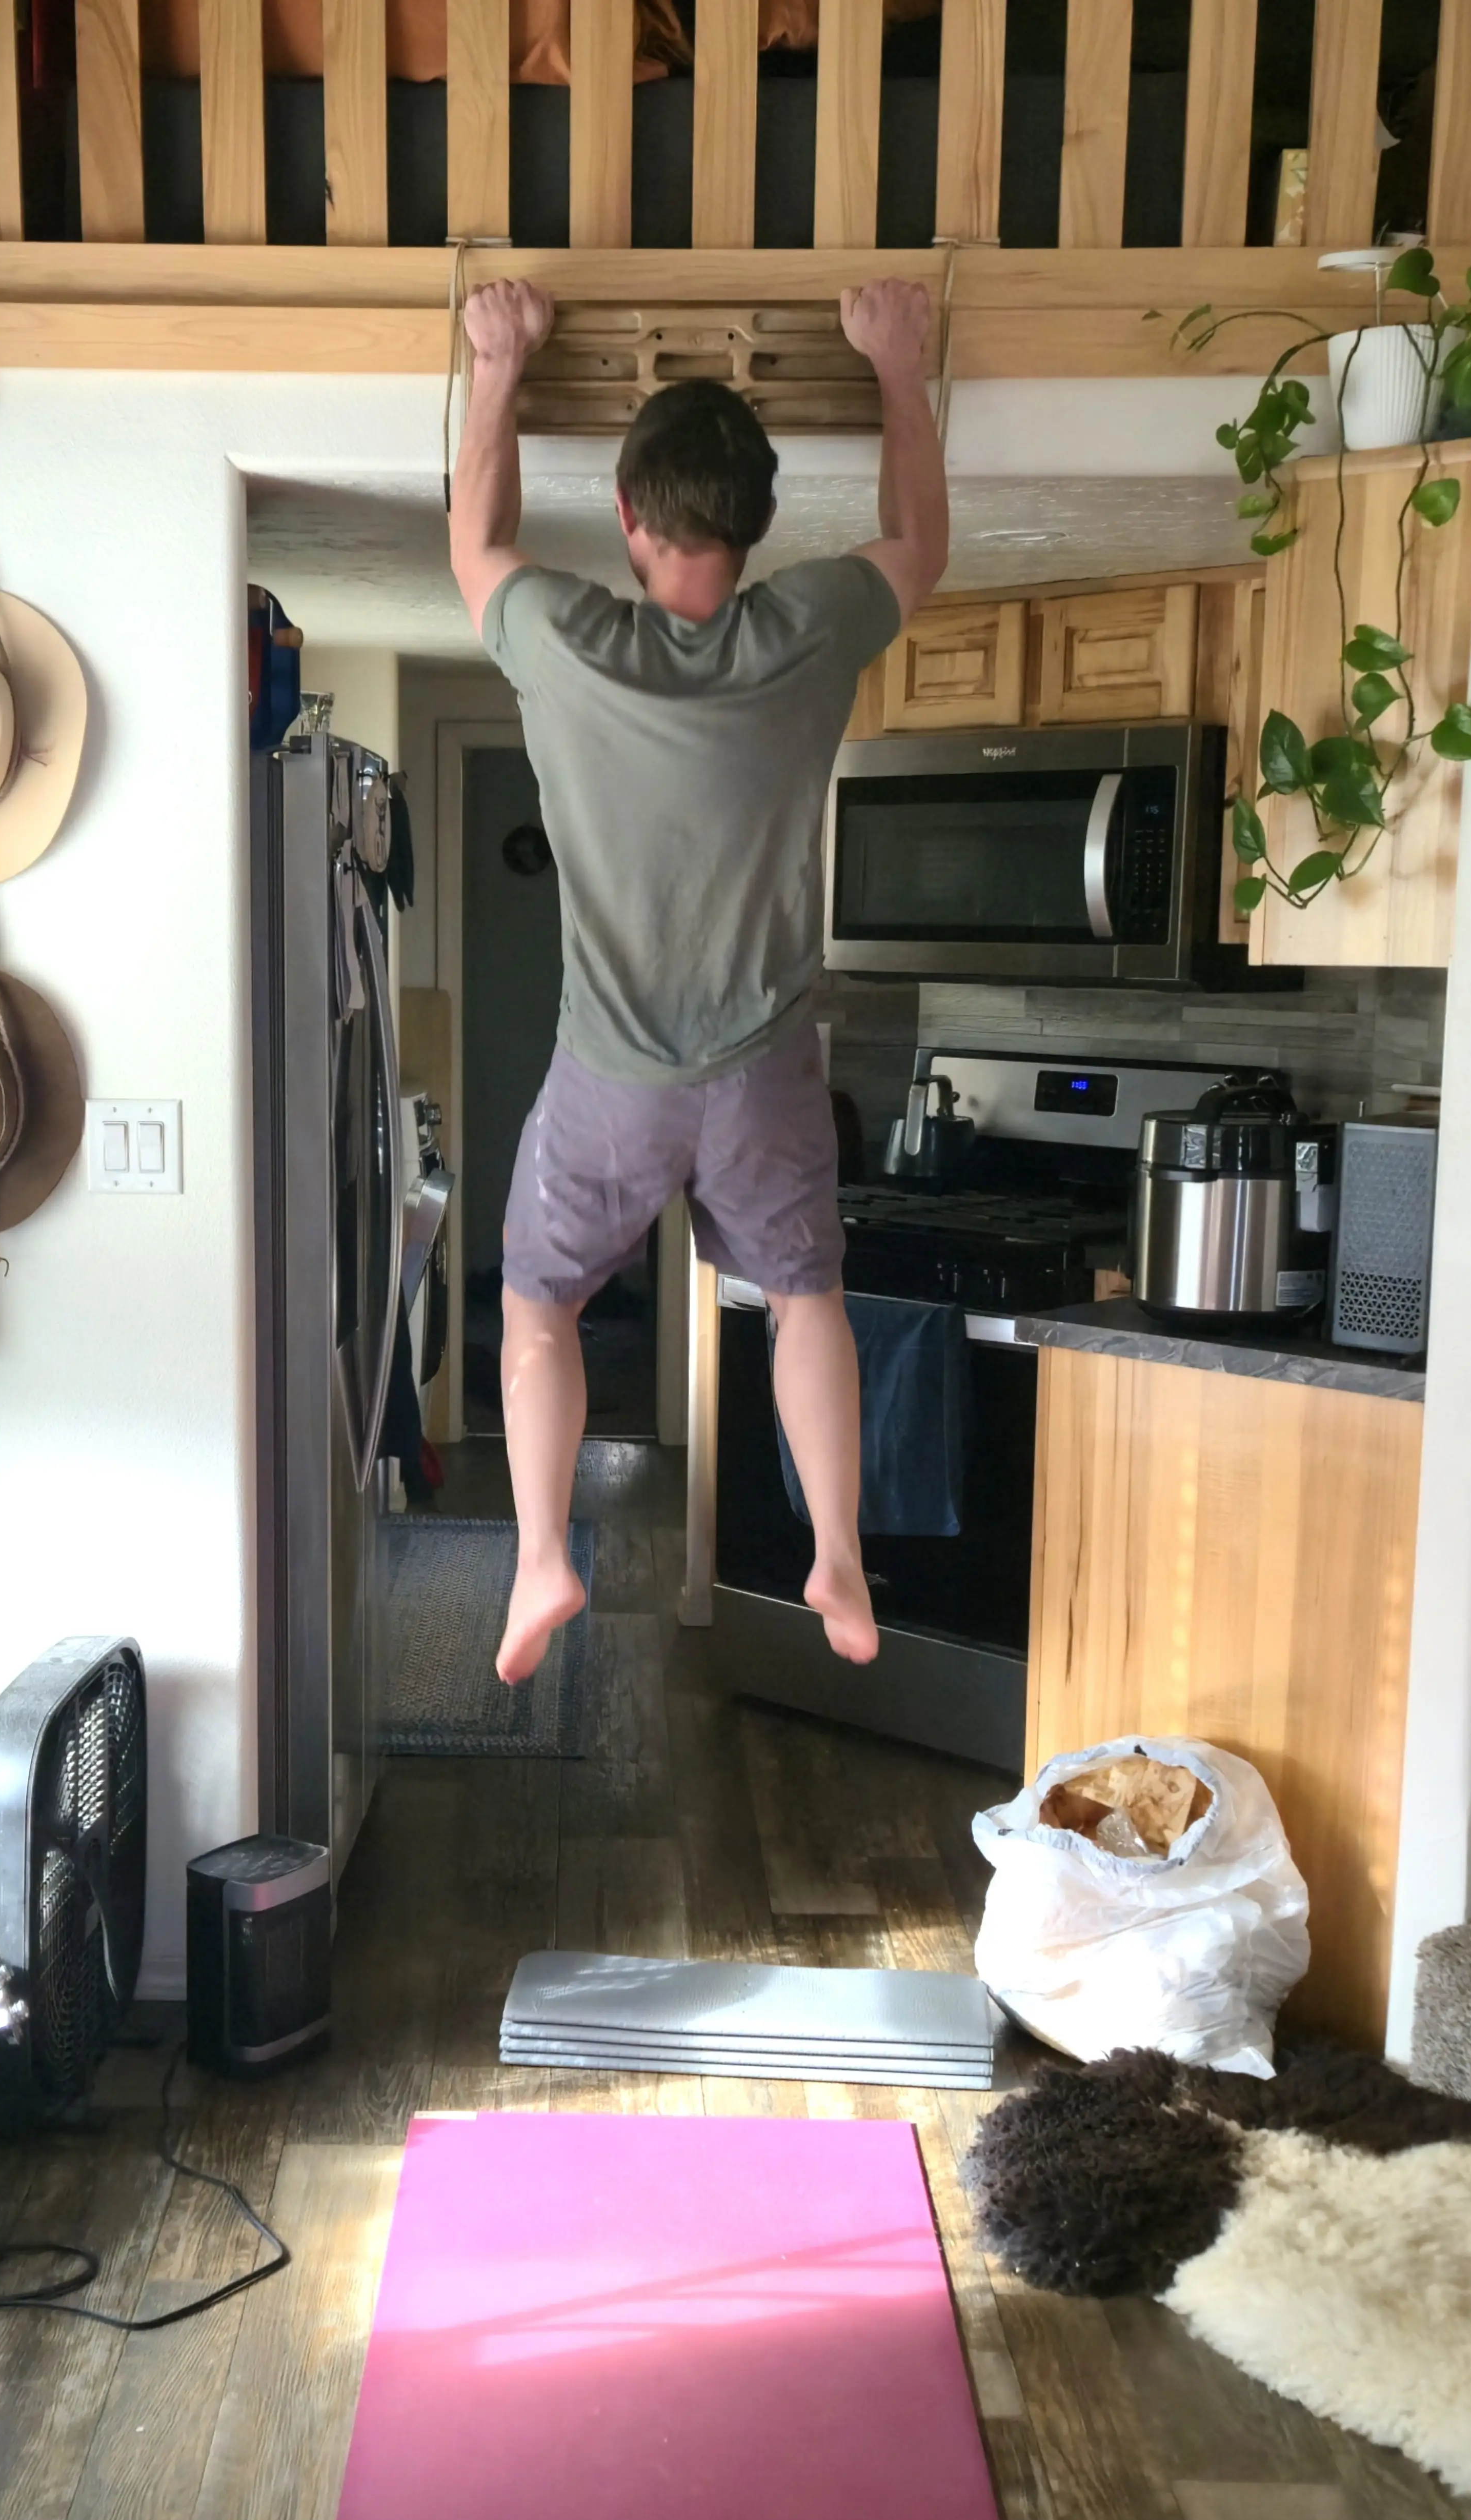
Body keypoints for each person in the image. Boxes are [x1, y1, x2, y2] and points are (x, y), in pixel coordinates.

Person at [448, 275, 950, 1686]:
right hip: (767, 1075)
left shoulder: (558, 635)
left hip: (611, 1078)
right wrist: (895, 364)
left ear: (627, 521)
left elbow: (470, 539)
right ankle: (837, 1550)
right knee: (805, 1301)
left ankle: (543, 1555)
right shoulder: (810, 628)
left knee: (538, 1304)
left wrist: (500, 365)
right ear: (755, 529)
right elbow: (925, 538)